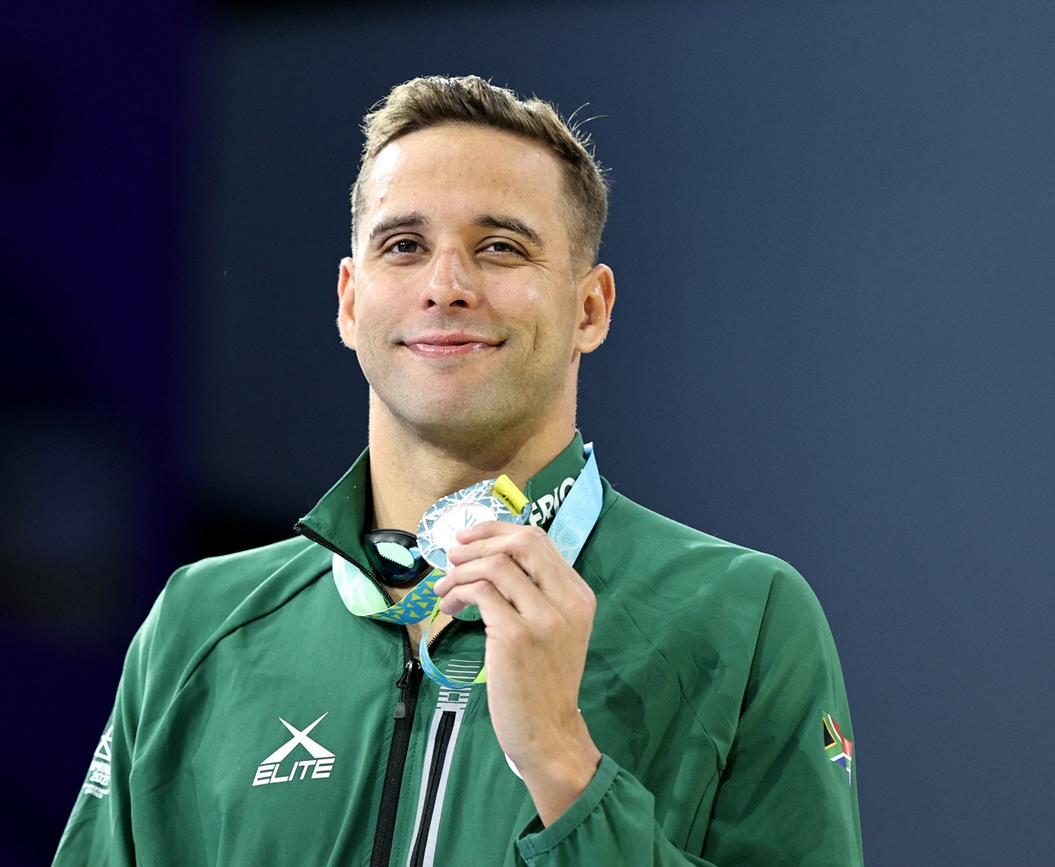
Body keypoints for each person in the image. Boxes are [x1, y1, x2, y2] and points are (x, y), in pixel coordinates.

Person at [54, 75, 862, 866]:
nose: (447, 286)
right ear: (349, 300)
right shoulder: (202, 626)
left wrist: (561, 760)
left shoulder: (744, 618)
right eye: (404, 246)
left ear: (591, 308)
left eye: (500, 247)